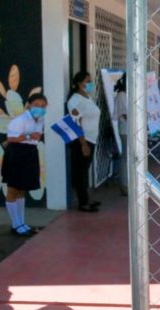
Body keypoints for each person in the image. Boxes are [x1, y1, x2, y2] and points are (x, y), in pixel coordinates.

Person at [2, 93, 47, 236]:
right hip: (17, 153)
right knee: (13, 188)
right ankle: (16, 224)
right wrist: (28, 136)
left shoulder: (40, 120)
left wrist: (35, 137)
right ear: (29, 105)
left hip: (30, 152)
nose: (39, 109)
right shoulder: (20, 120)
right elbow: (11, 138)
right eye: (36, 105)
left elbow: (37, 136)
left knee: (22, 188)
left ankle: (22, 222)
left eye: (43, 106)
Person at [67, 71, 102, 211]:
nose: (90, 83)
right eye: (87, 81)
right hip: (83, 140)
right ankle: (83, 203)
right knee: (80, 172)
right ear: (79, 83)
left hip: (91, 139)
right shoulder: (75, 100)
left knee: (84, 171)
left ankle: (86, 199)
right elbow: (76, 122)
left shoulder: (87, 97)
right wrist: (83, 144)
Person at [114, 73, 128, 196]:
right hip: (126, 130)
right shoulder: (122, 95)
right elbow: (125, 114)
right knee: (126, 158)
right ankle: (124, 184)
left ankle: (129, 182)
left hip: (133, 130)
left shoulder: (131, 93)